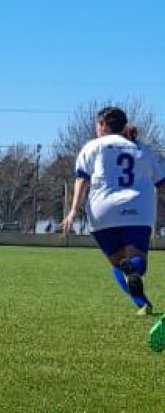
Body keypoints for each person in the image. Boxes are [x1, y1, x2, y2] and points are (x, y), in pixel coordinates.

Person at [63, 106, 165, 316]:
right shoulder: (142, 149)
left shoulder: (93, 146)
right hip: (138, 210)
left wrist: (73, 210)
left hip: (103, 212)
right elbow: (161, 182)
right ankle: (134, 272)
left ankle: (143, 305)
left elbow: (82, 180)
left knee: (119, 265)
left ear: (103, 125)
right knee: (138, 264)